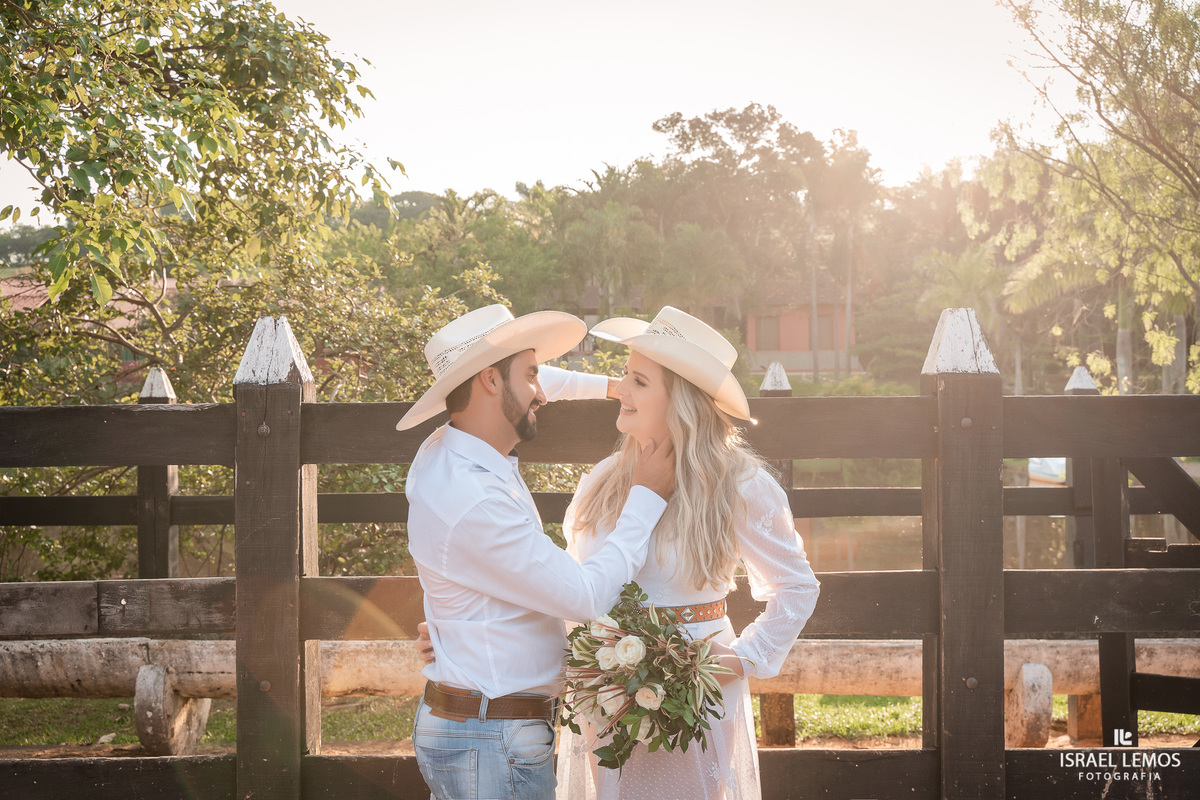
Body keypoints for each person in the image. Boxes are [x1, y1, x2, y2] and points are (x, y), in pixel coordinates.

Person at [399, 303, 676, 800]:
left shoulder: (448, 450)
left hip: (477, 725)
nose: (543, 393)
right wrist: (646, 496)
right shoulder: (475, 500)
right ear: (488, 380)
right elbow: (587, 595)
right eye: (531, 377)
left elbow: (531, 380)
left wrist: (617, 388)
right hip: (492, 742)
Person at [555, 306, 821, 800]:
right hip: (605, 688)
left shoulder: (738, 484)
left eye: (638, 380)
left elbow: (797, 587)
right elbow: (569, 588)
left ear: (679, 398)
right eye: (624, 377)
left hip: (695, 688)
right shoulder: (600, 481)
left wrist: (740, 658)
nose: (621, 390)